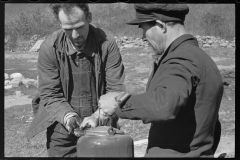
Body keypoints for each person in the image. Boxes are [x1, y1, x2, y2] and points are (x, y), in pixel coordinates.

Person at [92, 4, 223, 158]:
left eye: (143, 28)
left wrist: (117, 104)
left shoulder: (181, 59)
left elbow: (163, 104)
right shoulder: (199, 57)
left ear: (161, 26)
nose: (142, 37)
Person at [25, 3, 125, 157]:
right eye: (68, 29)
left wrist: (97, 116)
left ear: (89, 17)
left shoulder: (107, 44)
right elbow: (50, 94)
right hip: (61, 127)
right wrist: (69, 117)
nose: (75, 35)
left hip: (101, 125)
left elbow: (115, 89)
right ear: (60, 24)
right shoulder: (49, 47)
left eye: (79, 27)